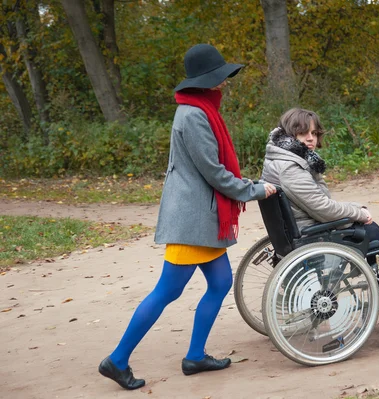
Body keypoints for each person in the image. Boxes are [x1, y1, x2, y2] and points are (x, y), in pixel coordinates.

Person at [98, 44, 276, 390]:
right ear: (205, 82)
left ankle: (195, 356)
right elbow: (214, 172)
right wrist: (254, 189)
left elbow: (214, 170)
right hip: (192, 221)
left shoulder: (200, 110)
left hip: (202, 220)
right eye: (219, 79)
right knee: (167, 291)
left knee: (221, 282)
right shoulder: (194, 116)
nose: (223, 85)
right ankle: (117, 360)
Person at [261, 108, 379, 294]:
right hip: (309, 235)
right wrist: (358, 212)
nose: (311, 138)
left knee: (361, 221)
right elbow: (322, 208)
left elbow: (318, 201)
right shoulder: (290, 168)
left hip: (296, 228)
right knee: (370, 229)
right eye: (304, 133)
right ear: (290, 133)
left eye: (314, 133)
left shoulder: (280, 158)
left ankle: (375, 284)